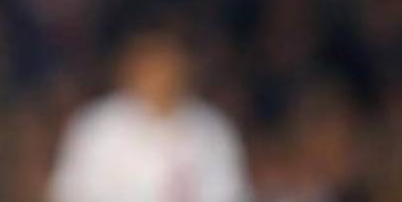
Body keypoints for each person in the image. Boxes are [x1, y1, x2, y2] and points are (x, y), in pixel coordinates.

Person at [45, 21, 250, 202]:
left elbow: (230, 194)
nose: (160, 75)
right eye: (150, 64)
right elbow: (71, 194)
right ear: (129, 67)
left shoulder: (212, 130)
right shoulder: (98, 127)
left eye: (167, 63)